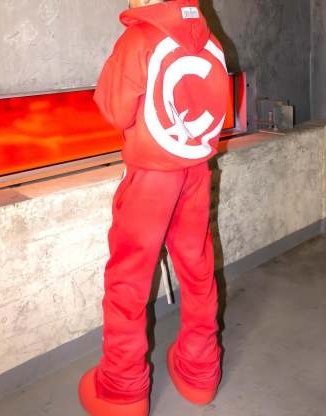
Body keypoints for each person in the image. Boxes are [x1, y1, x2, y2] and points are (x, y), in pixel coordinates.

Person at [78, 0, 230, 415]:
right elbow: (216, 110)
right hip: (196, 170)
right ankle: (200, 373)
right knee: (198, 268)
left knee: (129, 278)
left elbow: (114, 110)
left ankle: (121, 390)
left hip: (151, 179)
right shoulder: (211, 41)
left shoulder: (139, 38)